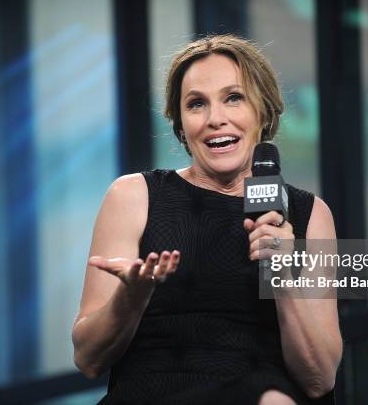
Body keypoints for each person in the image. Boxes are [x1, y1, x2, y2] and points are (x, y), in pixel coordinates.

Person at [71, 34, 342, 404]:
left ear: (263, 111)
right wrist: (130, 299)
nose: (216, 119)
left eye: (234, 98)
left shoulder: (311, 215)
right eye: (196, 104)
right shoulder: (132, 196)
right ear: (181, 126)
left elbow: (320, 378)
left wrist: (282, 277)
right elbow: (87, 359)